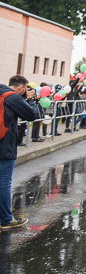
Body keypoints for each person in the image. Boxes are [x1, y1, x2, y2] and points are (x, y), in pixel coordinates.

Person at [0, 75, 39, 229]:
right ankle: (5, 220)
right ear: (21, 88)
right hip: (4, 146)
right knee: (3, 182)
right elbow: (32, 115)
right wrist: (29, 99)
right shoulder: (13, 98)